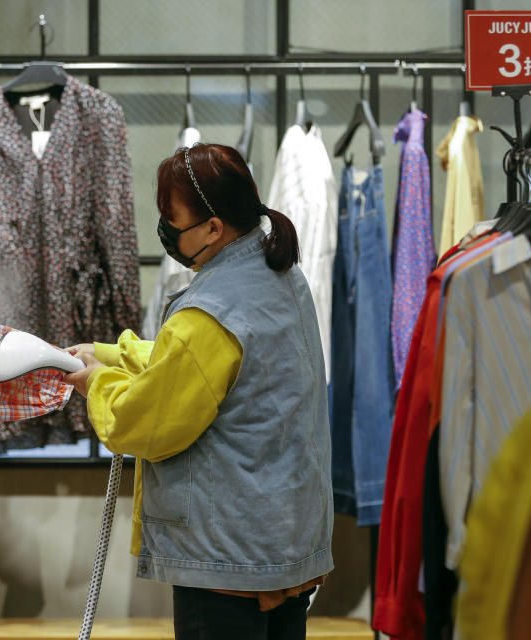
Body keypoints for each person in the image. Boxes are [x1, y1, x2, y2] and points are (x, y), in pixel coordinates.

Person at [65, 143, 333, 640]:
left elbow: (142, 423)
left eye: (174, 220)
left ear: (213, 228)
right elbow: (212, 371)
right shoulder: (280, 276)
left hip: (227, 557)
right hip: (285, 542)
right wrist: (114, 353)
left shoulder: (208, 310)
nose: (166, 230)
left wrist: (94, 382)